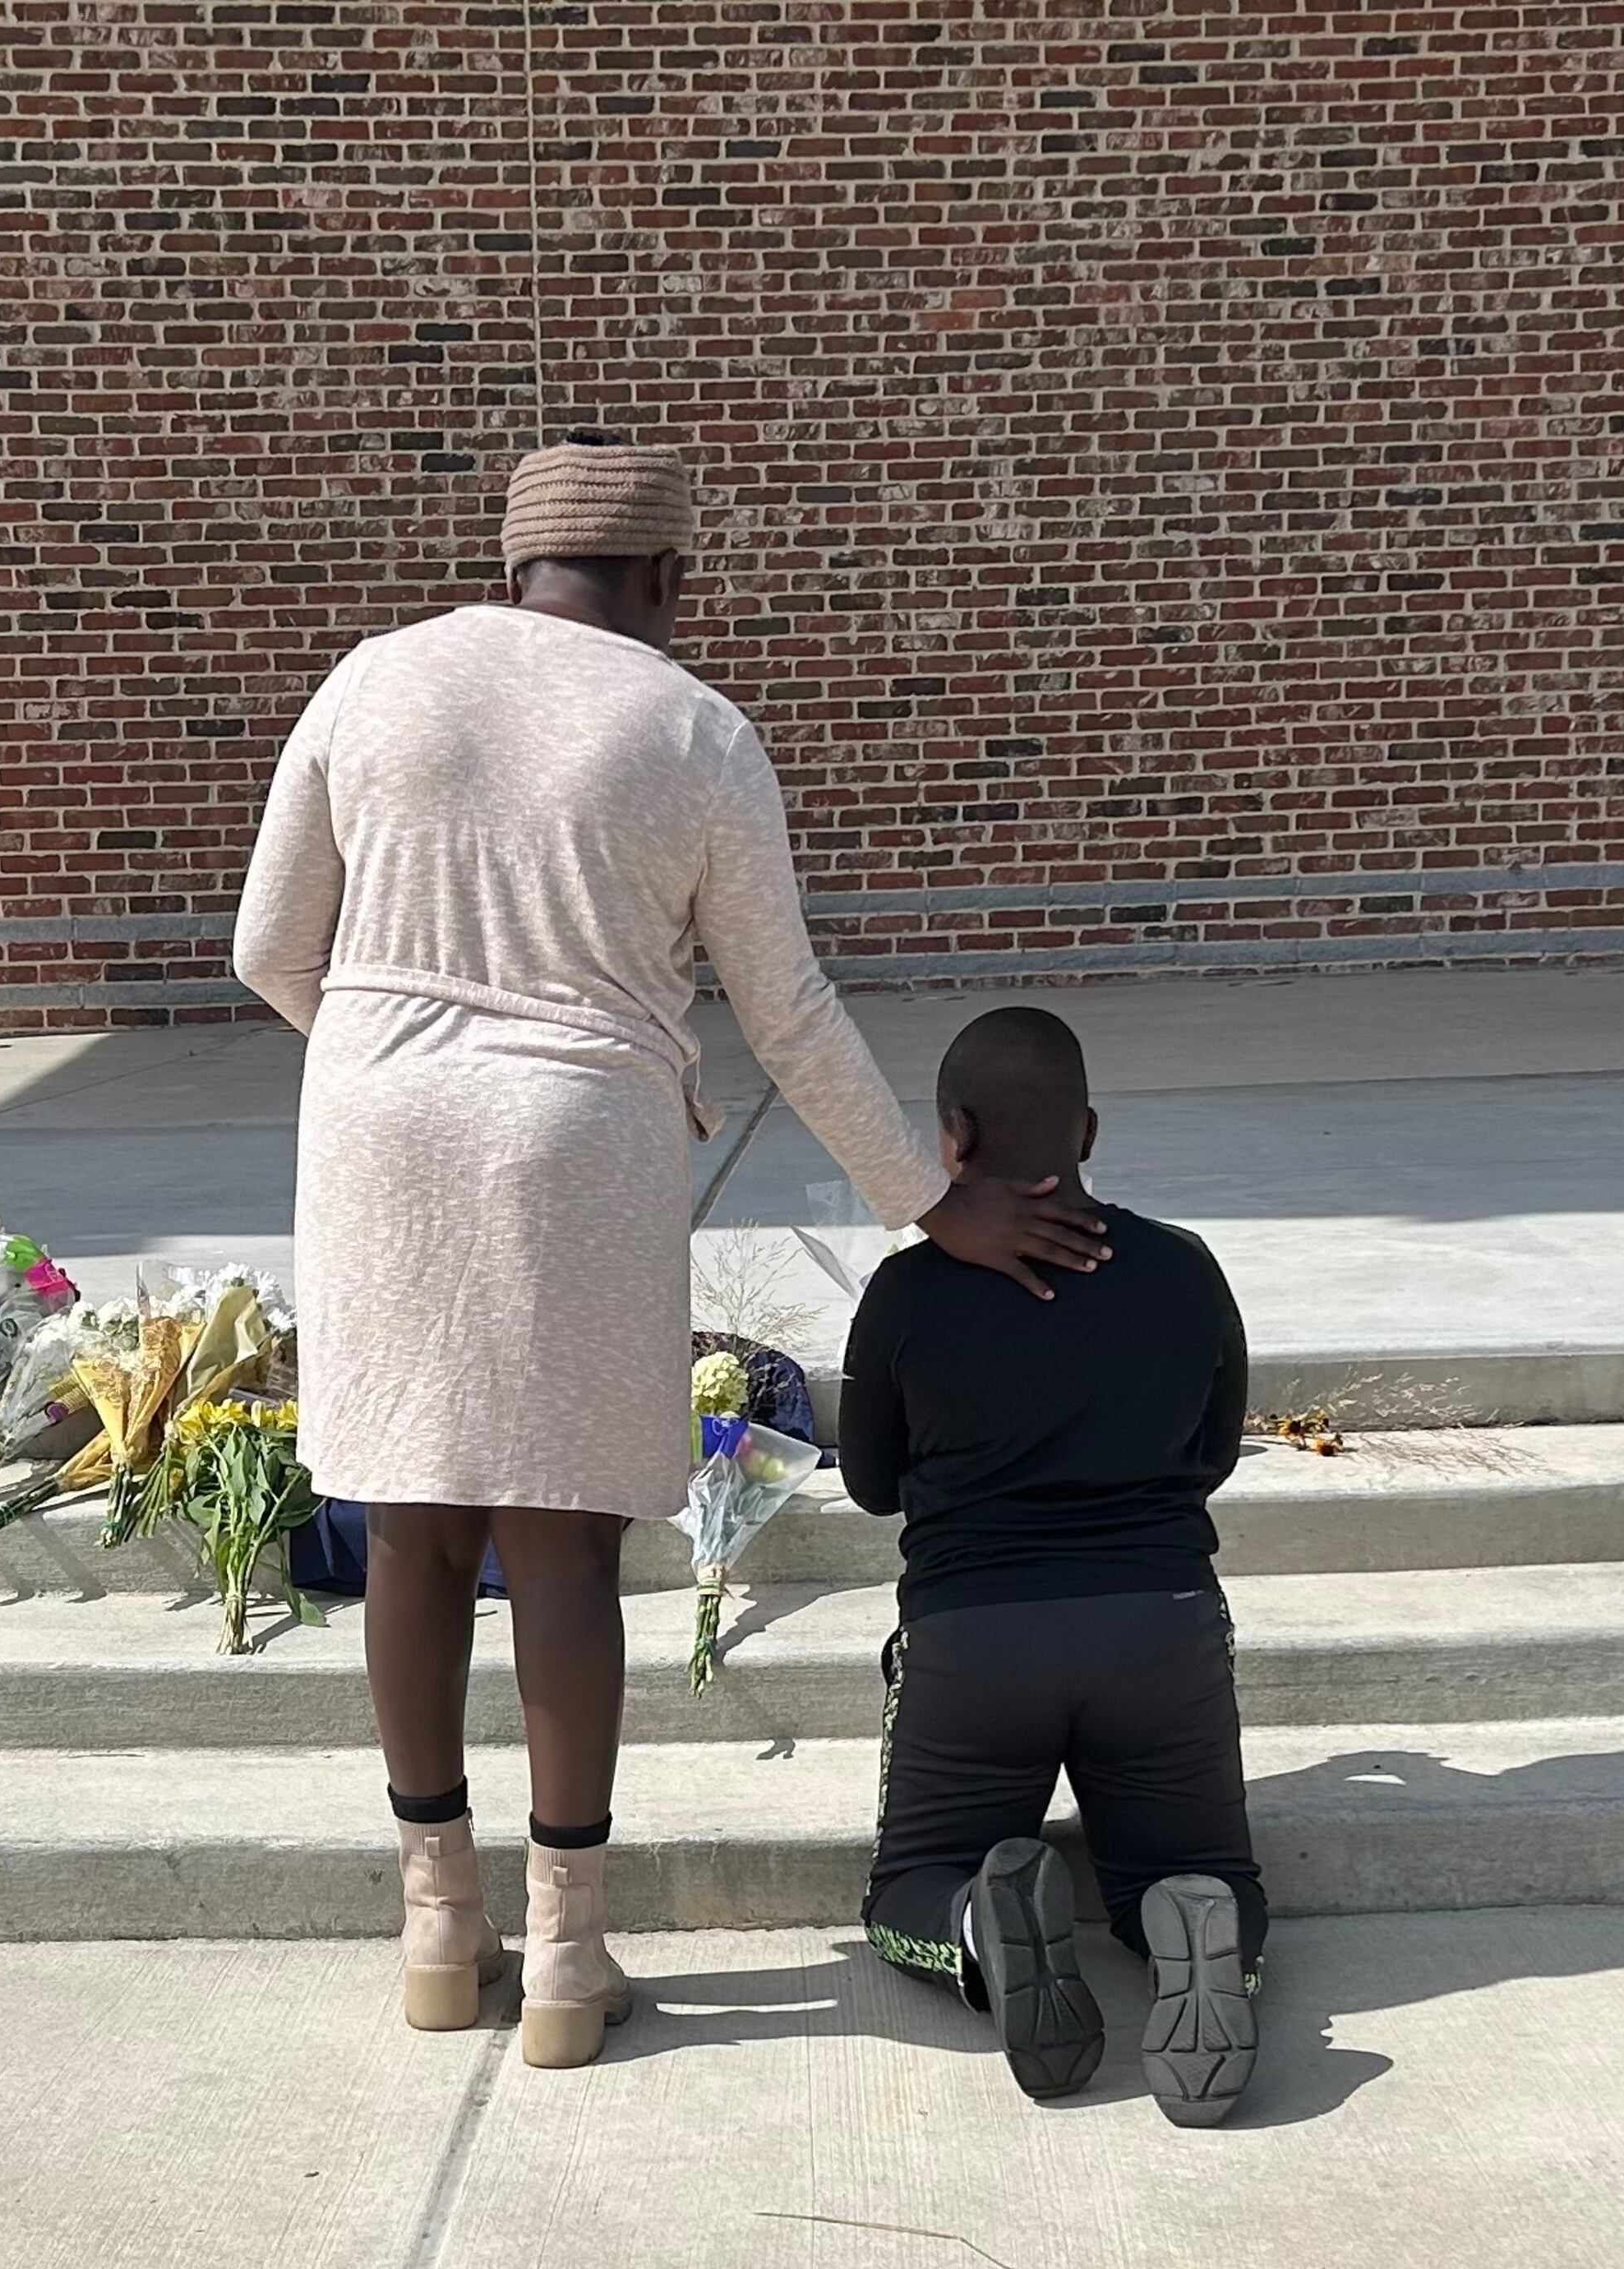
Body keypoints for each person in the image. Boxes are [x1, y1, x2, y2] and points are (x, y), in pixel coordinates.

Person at [232, 433, 1110, 2069]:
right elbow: (787, 1008)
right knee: (559, 1550)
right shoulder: (696, 728)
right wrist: (934, 1198)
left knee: (412, 1527)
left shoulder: (370, 681)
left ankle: (437, 1925)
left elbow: (267, 947)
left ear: (516, 567)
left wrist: (393, 1054)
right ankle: (567, 1963)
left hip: (373, 1122)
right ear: (668, 581)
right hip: (581, 1133)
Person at [842, 1005, 1266, 2125]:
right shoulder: (1184, 1270)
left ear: (952, 1138)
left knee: (910, 1885)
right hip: (1160, 1629)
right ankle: (1189, 1918)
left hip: (976, 1644)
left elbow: (873, 1485)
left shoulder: (906, 1294)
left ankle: (983, 1924)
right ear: (1089, 1129)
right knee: (1210, 1874)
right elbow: (1211, 1456)